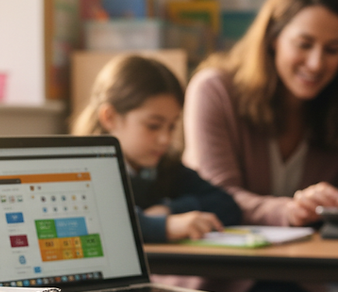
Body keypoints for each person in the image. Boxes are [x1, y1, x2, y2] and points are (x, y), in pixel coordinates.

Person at [182, 0, 338, 292]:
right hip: (218, 281)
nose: (316, 63)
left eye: (333, 49)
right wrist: (289, 211)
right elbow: (218, 198)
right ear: (273, 38)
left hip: (302, 279)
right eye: (304, 44)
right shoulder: (214, 90)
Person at [72, 54, 241, 244]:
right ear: (109, 117)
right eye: (153, 126)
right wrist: (164, 226)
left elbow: (227, 205)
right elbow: (99, 219)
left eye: (171, 126)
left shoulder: (165, 166)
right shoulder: (82, 172)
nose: (165, 139)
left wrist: (168, 209)